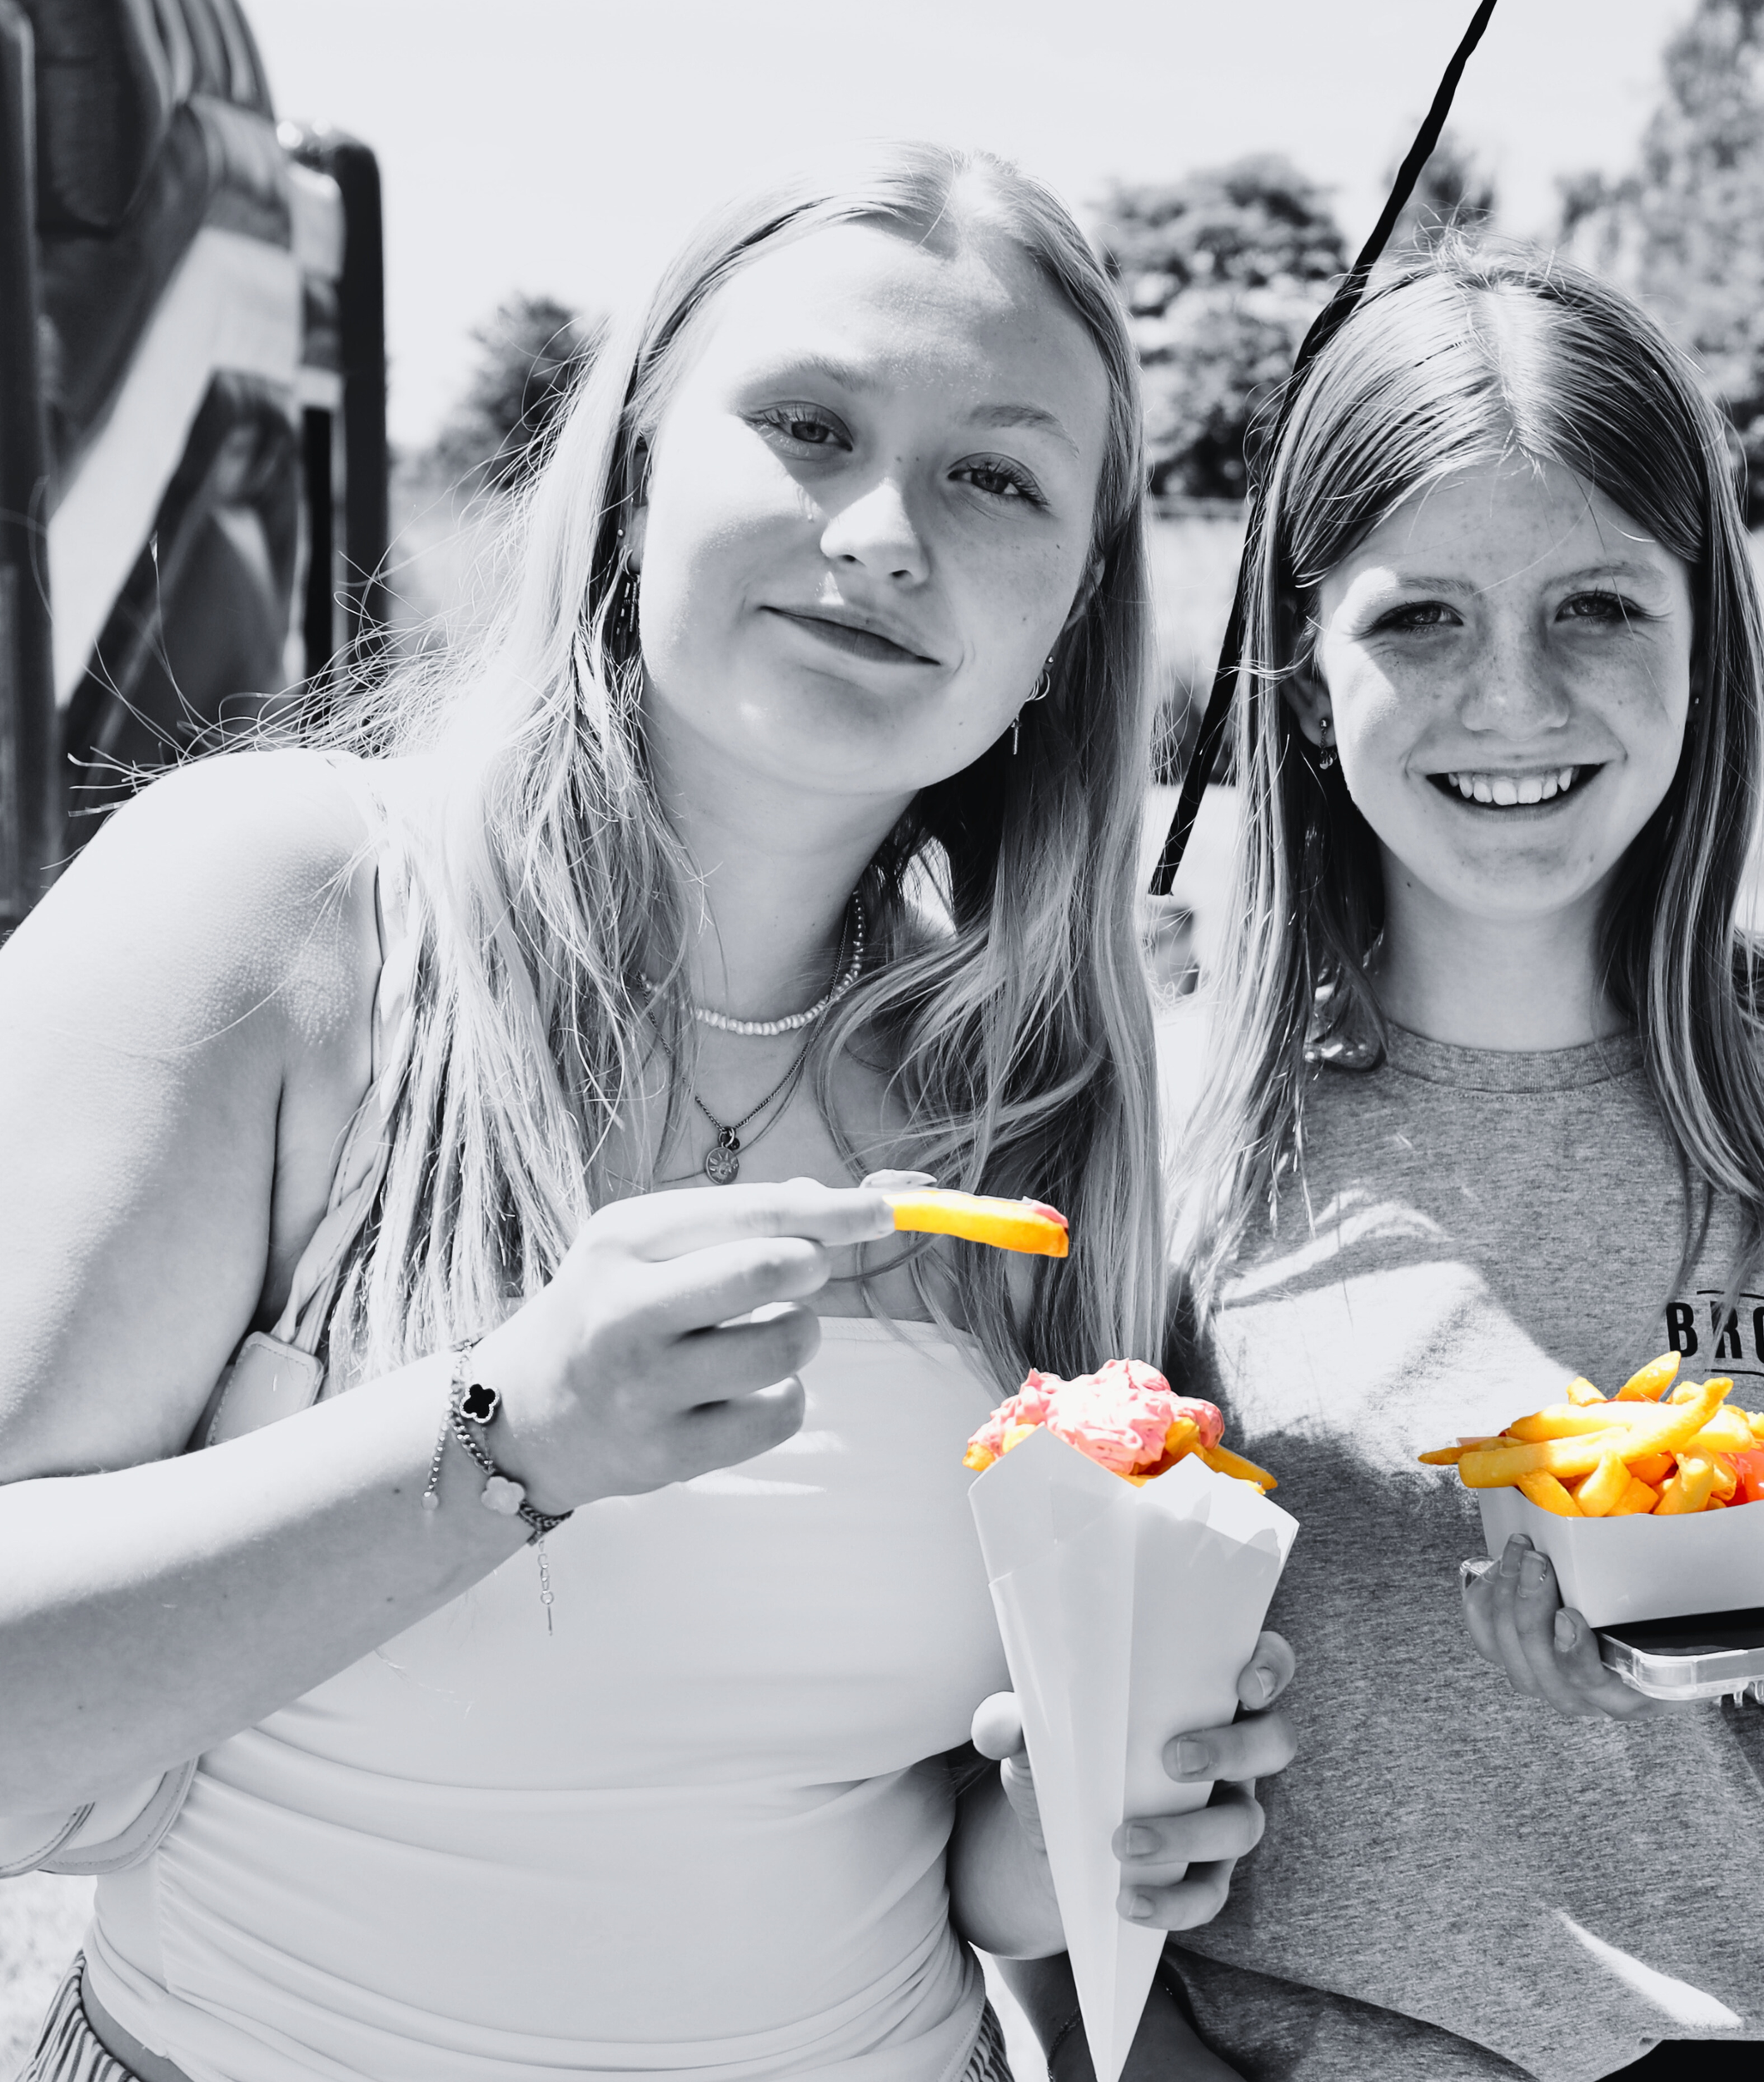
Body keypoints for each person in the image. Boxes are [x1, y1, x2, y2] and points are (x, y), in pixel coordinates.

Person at [0, 144, 1292, 2082]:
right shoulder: (283, 908)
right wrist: (508, 1435)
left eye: (995, 478)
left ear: (1067, 623)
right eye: (808, 425)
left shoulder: (1035, 1100)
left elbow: (943, 1847)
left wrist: (1078, 1822)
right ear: (629, 477)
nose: (883, 533)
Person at [1159, 237, 1764, 2080]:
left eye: (1595, 605)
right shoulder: (1176, 1127)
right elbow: (1033, 1787)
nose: (1513, 699)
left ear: (1702, 637)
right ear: (1307, 677)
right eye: (1419, 618)